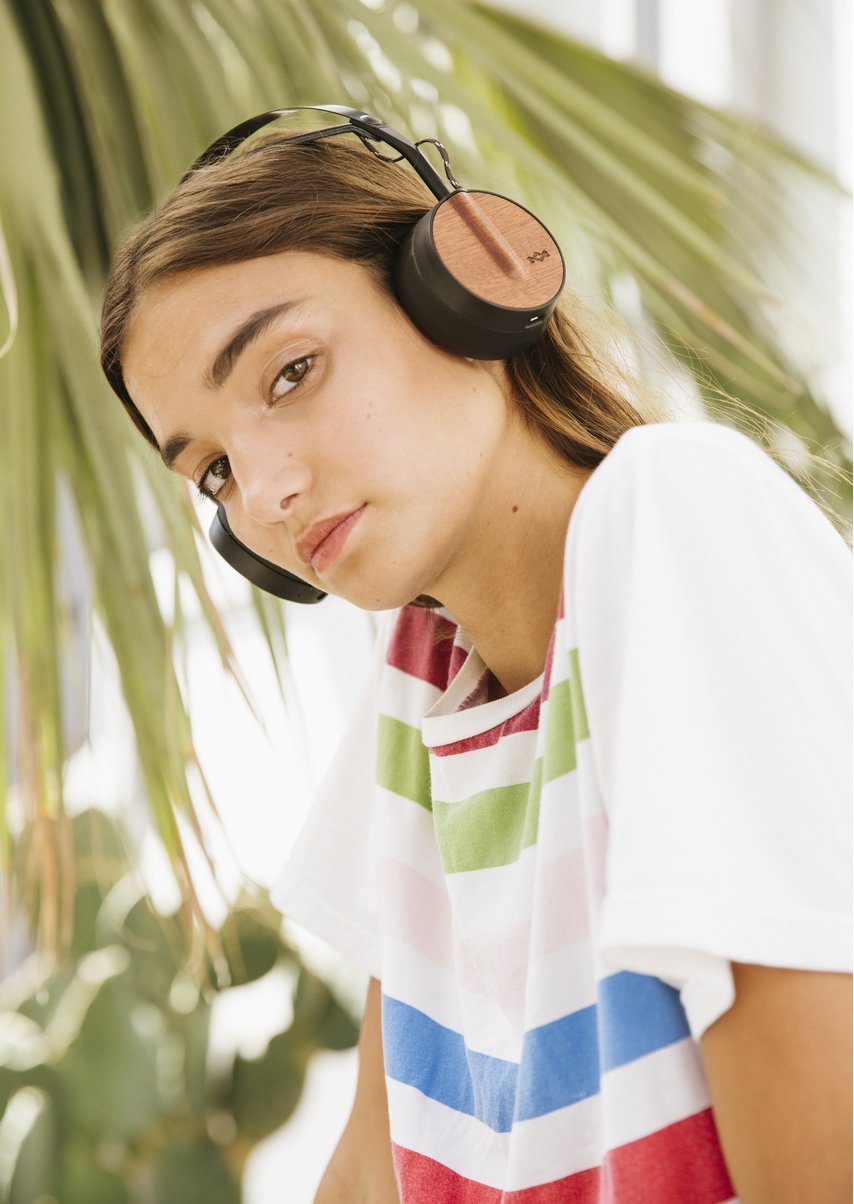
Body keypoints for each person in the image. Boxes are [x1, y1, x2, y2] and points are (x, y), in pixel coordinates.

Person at [100, 117, 852, 1204]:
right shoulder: (423, 692)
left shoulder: (673, 509)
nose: (262, 493)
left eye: (290, 371)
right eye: (212, 471)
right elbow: (365, 1174)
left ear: (465, 288)